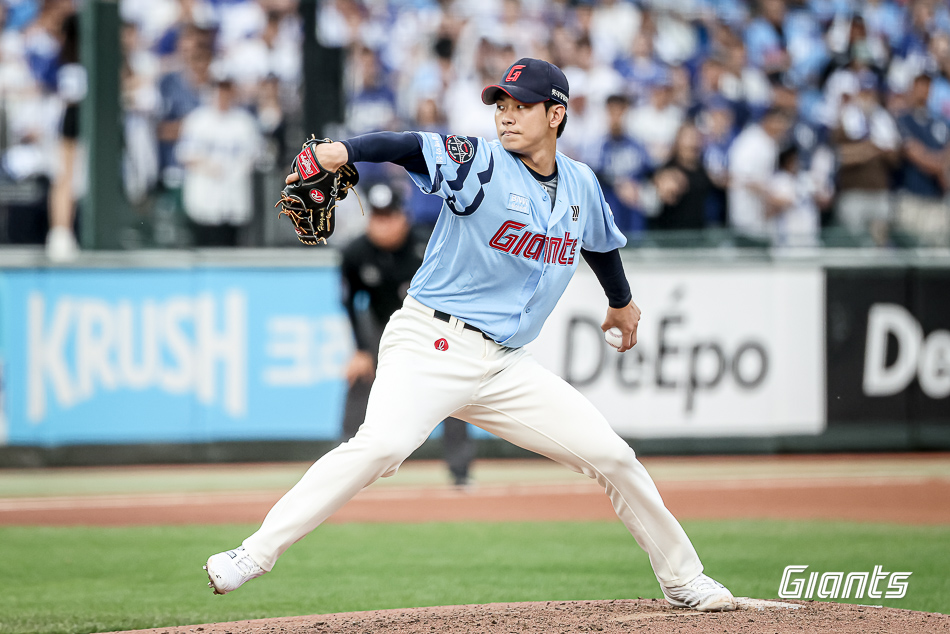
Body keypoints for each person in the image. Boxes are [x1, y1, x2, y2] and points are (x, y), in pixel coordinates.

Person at [204, 58, 736, 613]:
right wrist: (344, 151)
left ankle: (683, 579)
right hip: (431, 341)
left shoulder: (580, 181)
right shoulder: (480, 163)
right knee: (382, 446)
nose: (506, 116)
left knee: (614, 456)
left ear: (556, 115)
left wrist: (621, 302)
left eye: (521, 106)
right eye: (501, 105)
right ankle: (253, 554)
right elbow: (410, 146)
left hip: (506, 364)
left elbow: (600, 243)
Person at [340, 182, 474, 486]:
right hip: (382, 325)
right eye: (377, 217)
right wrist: (360, 350)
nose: (383, 225)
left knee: (453, 386)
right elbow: (349, 303)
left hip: (431, 324)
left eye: (390, 216)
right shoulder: (355, 253)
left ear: (404, 216)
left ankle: (461, 470)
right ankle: (344, 466)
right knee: (359, 376)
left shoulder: (428, 245)